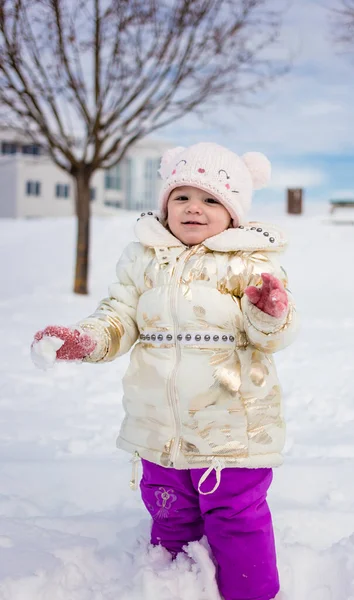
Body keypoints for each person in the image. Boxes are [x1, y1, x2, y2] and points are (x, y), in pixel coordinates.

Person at [31, 142, 298, 600]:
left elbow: (270, 336)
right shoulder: (143, 260)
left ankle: (250, 592)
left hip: (232, 431)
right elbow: (119, 317)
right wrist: (87, 340)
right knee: (169, 513)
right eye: (182, 196)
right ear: (165, 205)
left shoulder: (248, 263)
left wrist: (270, 313)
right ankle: (173, 587)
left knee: (236, 517)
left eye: (211, 199)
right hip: (158, 430)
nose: (194, 208)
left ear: (233, 212)